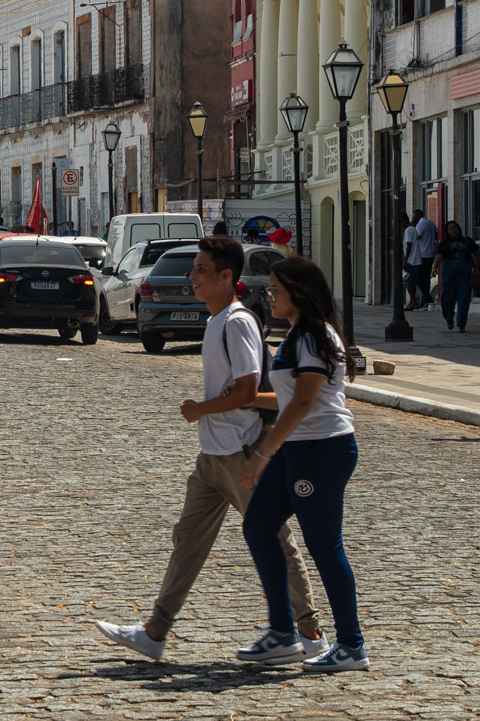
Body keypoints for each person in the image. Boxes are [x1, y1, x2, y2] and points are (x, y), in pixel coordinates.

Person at [96, 235, 322, 661]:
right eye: (194, 269)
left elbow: (247, 389)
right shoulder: (218, 320)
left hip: (239, 450)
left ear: (226, 276)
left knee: (274, 537)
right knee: (188, 539)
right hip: (213, 454)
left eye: (201, 270)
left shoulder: (236, 322)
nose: (192, 278)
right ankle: (155, 631)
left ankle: (309, 631)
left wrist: (200, 408)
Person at [238, 256, 368, 672]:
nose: (269, 296)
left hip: (321, 450)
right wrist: (246, 400)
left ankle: (351, 644)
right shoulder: (297, 334)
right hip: (299, 447)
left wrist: (262, 454)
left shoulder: (313, 335)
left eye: (276, 290)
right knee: (258, 524)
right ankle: (282, 632)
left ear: (298, 292)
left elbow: (306, 402)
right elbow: (290, 397)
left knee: (325, 547)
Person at [436, 221, 479, 332]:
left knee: (464, 297)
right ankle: (449, 319)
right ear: (447, 231)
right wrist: (434, 268)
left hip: (464, 268)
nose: (454, 230)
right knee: (447, 296)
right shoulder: (444, 243)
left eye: (455, 228)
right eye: (450, 228)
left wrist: (476, 266)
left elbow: (477, 254)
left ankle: (461, 323)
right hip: (449, 268)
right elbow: (439, 256)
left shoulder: (467, 241)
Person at [411, 209, 438, 308]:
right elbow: (436, 234)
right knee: (426, 277)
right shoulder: (431, 222)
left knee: (418, 278)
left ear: (418, 215)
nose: (413, 217)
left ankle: (428, 297)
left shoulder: (420, 224)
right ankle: (424, 300)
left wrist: (412, 227)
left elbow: (417, 237)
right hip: (431, 253)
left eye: (414, 216)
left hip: (423, 254)